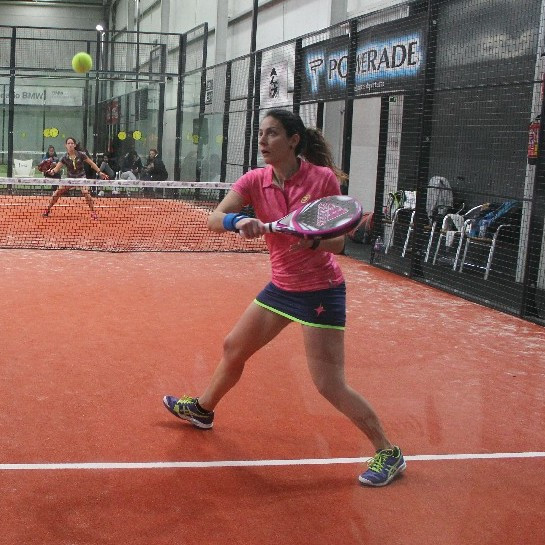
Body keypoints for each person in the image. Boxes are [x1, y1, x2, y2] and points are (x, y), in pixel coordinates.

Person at [163, 109, 406, 487]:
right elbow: (214, 218)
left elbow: (338, 242)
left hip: (320, 291)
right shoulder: (254, 180)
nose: (263, 140)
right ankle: (203, 410)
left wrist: (312, 241)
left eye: (272, 133)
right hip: (281, 288)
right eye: (261, 133)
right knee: (233, 347)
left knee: (328, 384)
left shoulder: (321, 178)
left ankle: (388, 451)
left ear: (293, 140)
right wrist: (238, 221)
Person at [42, 136, 109, 219]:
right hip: (70, 179)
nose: (70, 145)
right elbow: (56, 169)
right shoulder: (64, 157)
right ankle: (47, 209)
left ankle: (93, 212)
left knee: (86, 192)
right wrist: (51, 172)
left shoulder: (81, 155)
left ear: (74, 145)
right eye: (68, 143)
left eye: (72, 143)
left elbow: (91, 163)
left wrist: (99, 172)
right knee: (57, 192)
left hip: (81, 178)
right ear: (66, 145)